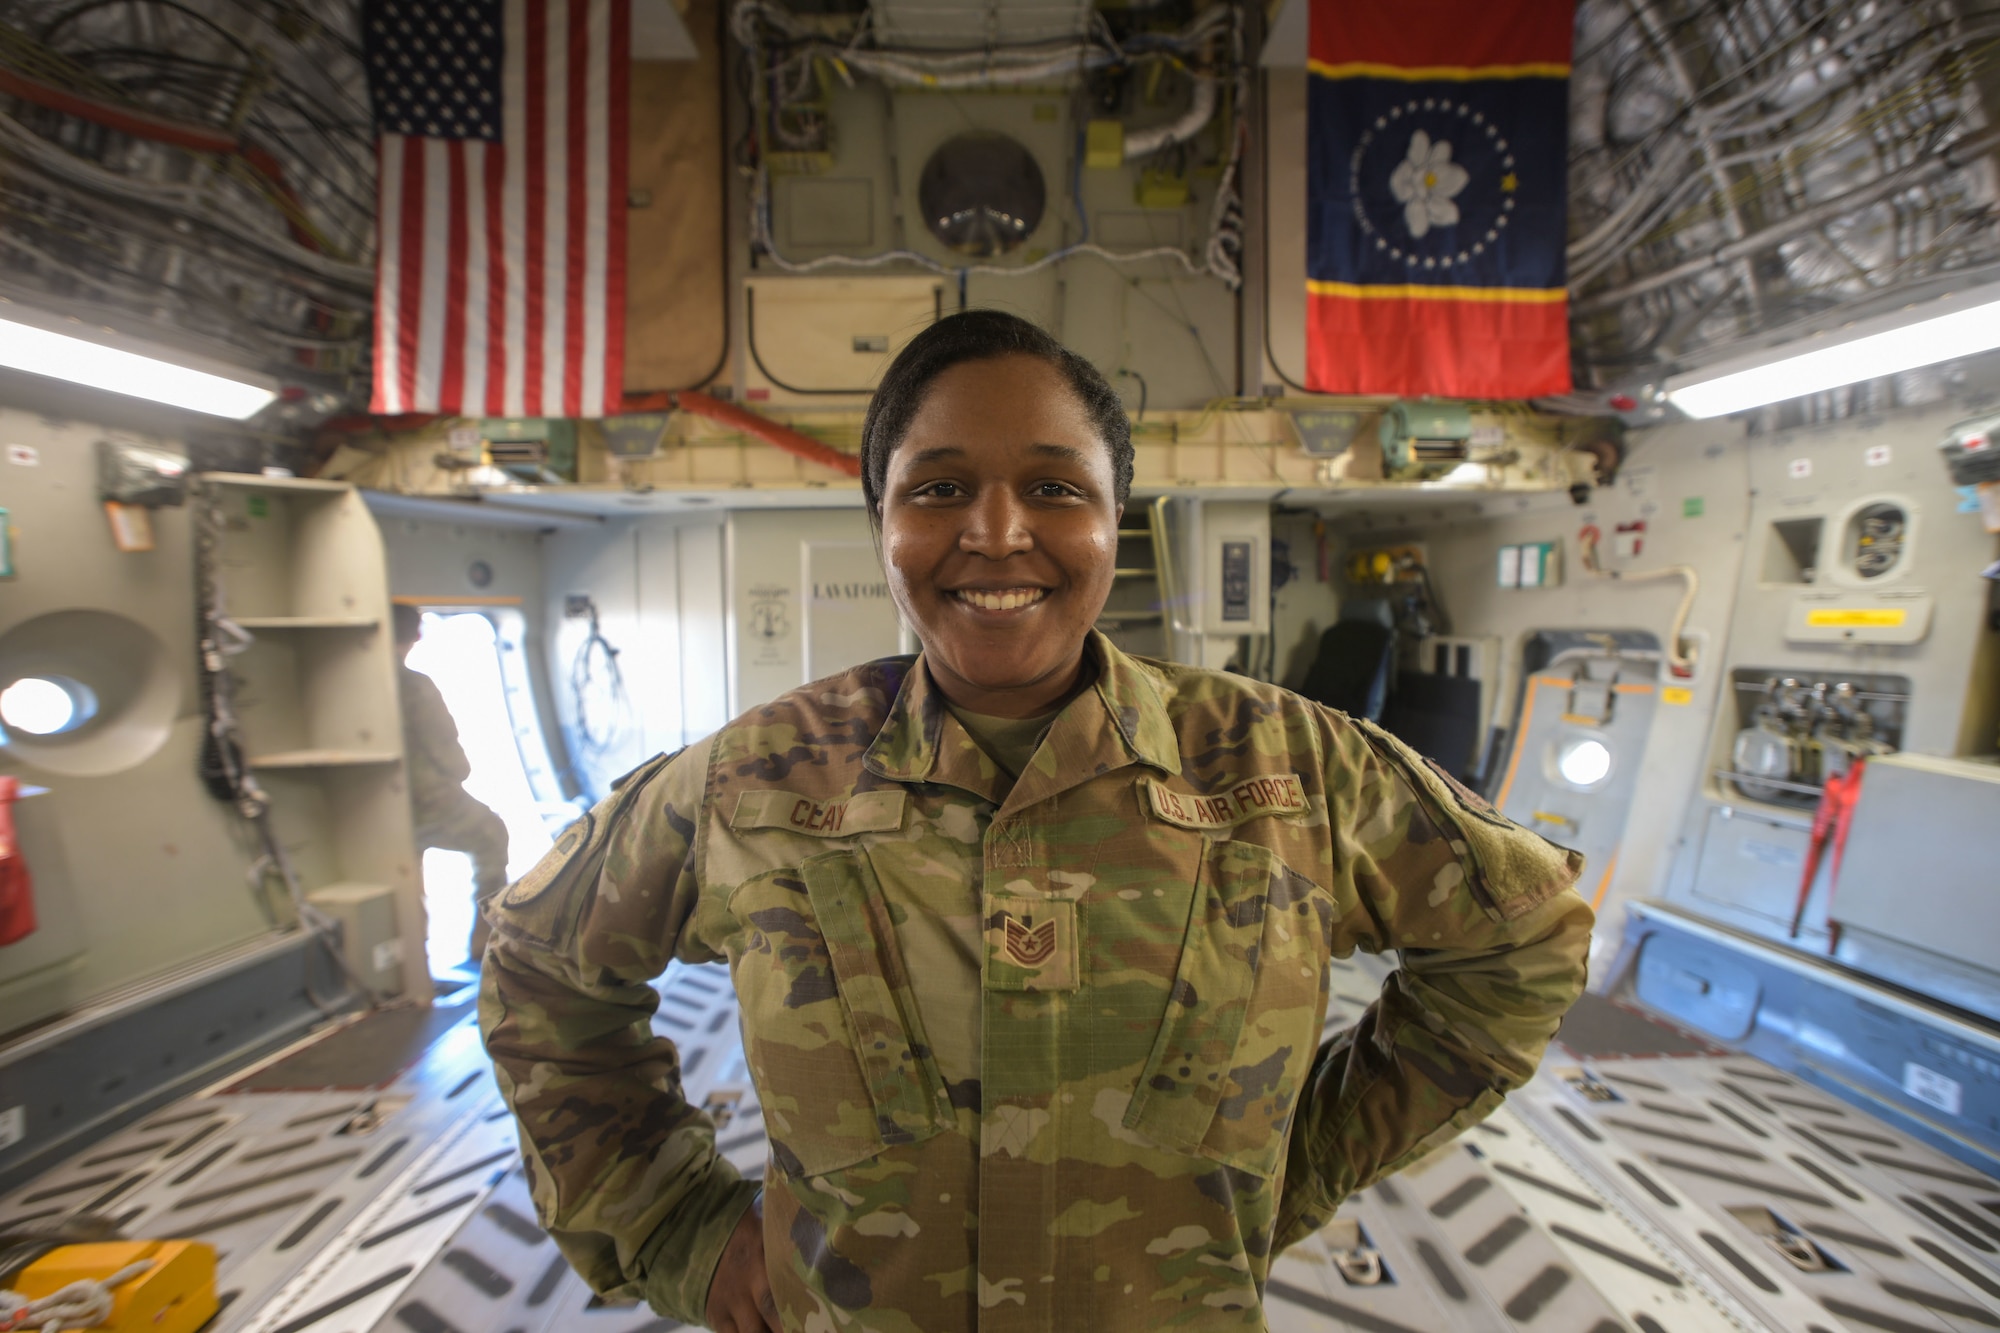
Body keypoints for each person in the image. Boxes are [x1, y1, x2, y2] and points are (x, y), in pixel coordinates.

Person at [479, 311, 1593, 1332]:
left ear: (1114, 522)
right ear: (882, 524)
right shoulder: (749, 785)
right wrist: (675, 1221)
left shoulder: (1296, 770)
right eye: (938, 488)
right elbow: (539, 961)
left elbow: (1522, 941)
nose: (998, 534)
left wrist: (1299, 1163)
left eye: (1056, 490)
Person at [395, 604, 510, 964]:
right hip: (427, 803)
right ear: (416, 636)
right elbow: (446, 750)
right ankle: (484, 940)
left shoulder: (353, 681)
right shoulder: (414, 685)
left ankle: (411, 957)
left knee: (402, 877)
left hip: (378, 811)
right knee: (492, 833)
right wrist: (460, 771)